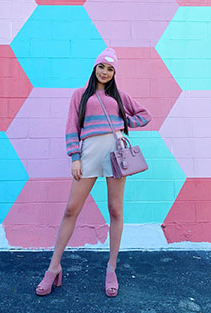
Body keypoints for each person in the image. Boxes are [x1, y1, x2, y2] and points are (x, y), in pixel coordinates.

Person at [35, 48, 152, 297]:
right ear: (95, 67)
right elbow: (71, 127)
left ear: (114, 73)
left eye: (110, 69)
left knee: (115, 210)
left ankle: (111, 268)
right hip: (88, 153)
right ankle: (53, 267)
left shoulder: (120, 96)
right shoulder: (80, 95)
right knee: (71, 209)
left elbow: (145, 116)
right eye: (102, 67)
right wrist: (75, 157)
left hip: (115, 153)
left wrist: (124, 121)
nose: (105, 72)